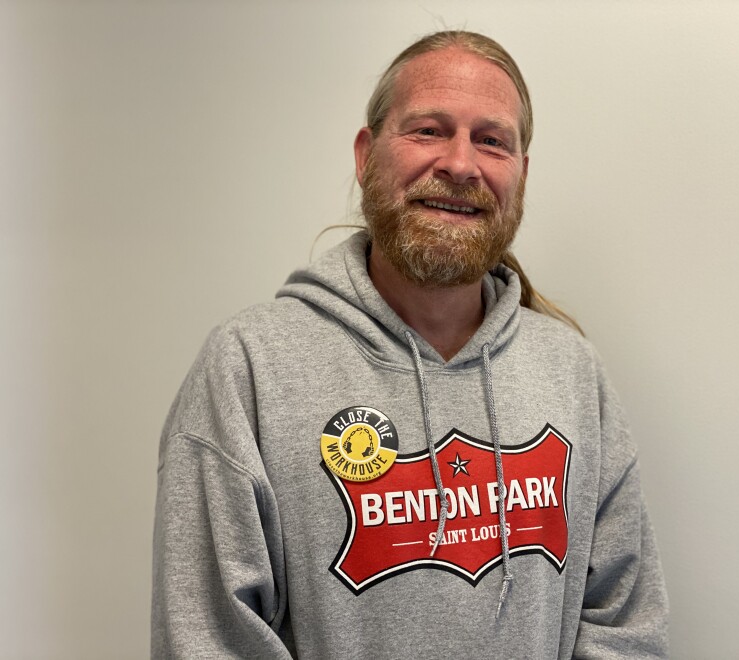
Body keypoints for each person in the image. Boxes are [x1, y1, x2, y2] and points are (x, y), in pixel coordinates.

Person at [152, 30, 669, 659]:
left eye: (491, 140)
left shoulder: (572, 373)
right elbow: (209, 639)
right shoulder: (250, 369)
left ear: (522, 174)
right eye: (428, 130)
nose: (459, 163)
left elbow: (624, 626)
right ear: (367, 155)